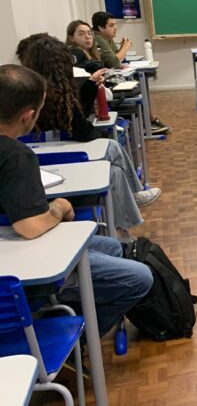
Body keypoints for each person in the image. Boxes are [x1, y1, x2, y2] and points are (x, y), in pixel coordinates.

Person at [0, 64, 153, 337]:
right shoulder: (15, 156)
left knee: (112, 247)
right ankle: (76, 337)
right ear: (28, 116)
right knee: (140, 277)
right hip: (18, 261)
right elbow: (30, 227)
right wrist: (59, 207)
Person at [18, 35, 161, 233]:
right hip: (62, 169)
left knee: (114, 171)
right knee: (111, 146)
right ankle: (134, 197)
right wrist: (100, 132)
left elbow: (77, 120)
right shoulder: (59, 97)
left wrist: (89, 87)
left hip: (44, 164)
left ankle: (124, 232)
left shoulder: (26, 94)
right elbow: (84, 132)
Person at [91, 11, 171, 135]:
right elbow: (114, 62)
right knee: (139, 87)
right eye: (111, 25)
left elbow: (116, 60)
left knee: (139, 85)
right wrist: (125, 47)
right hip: (105, 84)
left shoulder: (107, 39)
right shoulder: (98, 39)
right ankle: (147, 123)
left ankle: (148, 121)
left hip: (111, 77)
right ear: (101, 28)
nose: (115, 28)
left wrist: (120, 54)